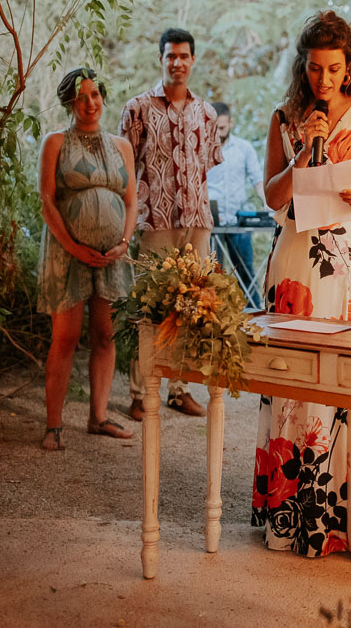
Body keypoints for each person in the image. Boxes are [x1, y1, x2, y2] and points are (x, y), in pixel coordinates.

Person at [250, 11, 351, 559]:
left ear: (350, 69)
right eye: (316, 69)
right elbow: (273, 198)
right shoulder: (285, 117)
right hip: (299, 263)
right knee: (297, 380)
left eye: (335, 69)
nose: (324, 80)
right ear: (304, 67)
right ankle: (296, 518)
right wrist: (302, 152)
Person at [118, 28, 223, 421]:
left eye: (183, 56)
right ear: (160, 59)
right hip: (155, 220)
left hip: (196, 220)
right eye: (170, 56)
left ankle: (179, 389)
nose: (177, 63)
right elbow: (125, 167)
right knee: (149, 306)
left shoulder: (207, 113)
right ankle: (139, 391)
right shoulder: (138, 108)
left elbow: (205, 165)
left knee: (191, 306)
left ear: (193, 60)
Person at [37, 68, 137, 450]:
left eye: (95, 95)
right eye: (82, 97)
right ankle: (53, 425)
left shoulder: (122, 146)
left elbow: (130, 201)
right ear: (69, 102)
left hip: (112, 255)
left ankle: (98, 417)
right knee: (65, 337)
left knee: (105, 335)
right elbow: (47, 201)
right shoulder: (56, 142)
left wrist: (124, 242)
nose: (90, 103)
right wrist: (74, 246)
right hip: (68, 254)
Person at [206, 101, 266, 308]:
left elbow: (257, 180)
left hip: (238, 220)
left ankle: (256, 314)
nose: (218, 132)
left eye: (221, 127)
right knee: (211, 275)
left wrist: (269, 206)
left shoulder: (244, 148)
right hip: (211, 221)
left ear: (230, 123)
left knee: (245, 271)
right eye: (214, 128)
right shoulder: (203, 149)